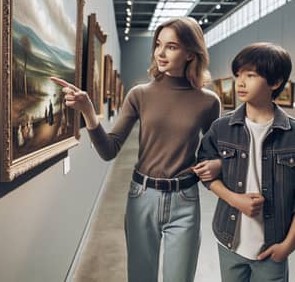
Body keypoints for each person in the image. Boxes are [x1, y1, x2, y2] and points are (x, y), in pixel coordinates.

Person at [51, 17, 221, 282]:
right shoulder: (139, 94)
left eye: (172, 46)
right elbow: (109, 150)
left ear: (190, 52)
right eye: (158, 45)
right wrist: (88, 113)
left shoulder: (209, 102)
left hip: (185, 199)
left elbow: (213, 152)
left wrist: (217, 165)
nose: (160, 53)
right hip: (142, 197)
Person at [195, 42, 295, 282]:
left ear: (275, 82)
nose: (240, 82)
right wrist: (234, 199)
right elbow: (204, 172)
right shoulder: (221, 128)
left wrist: (287, 247)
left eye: (251, 75)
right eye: (238, 74)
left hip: (273, 248)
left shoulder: (293, 134)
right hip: (229, 242)